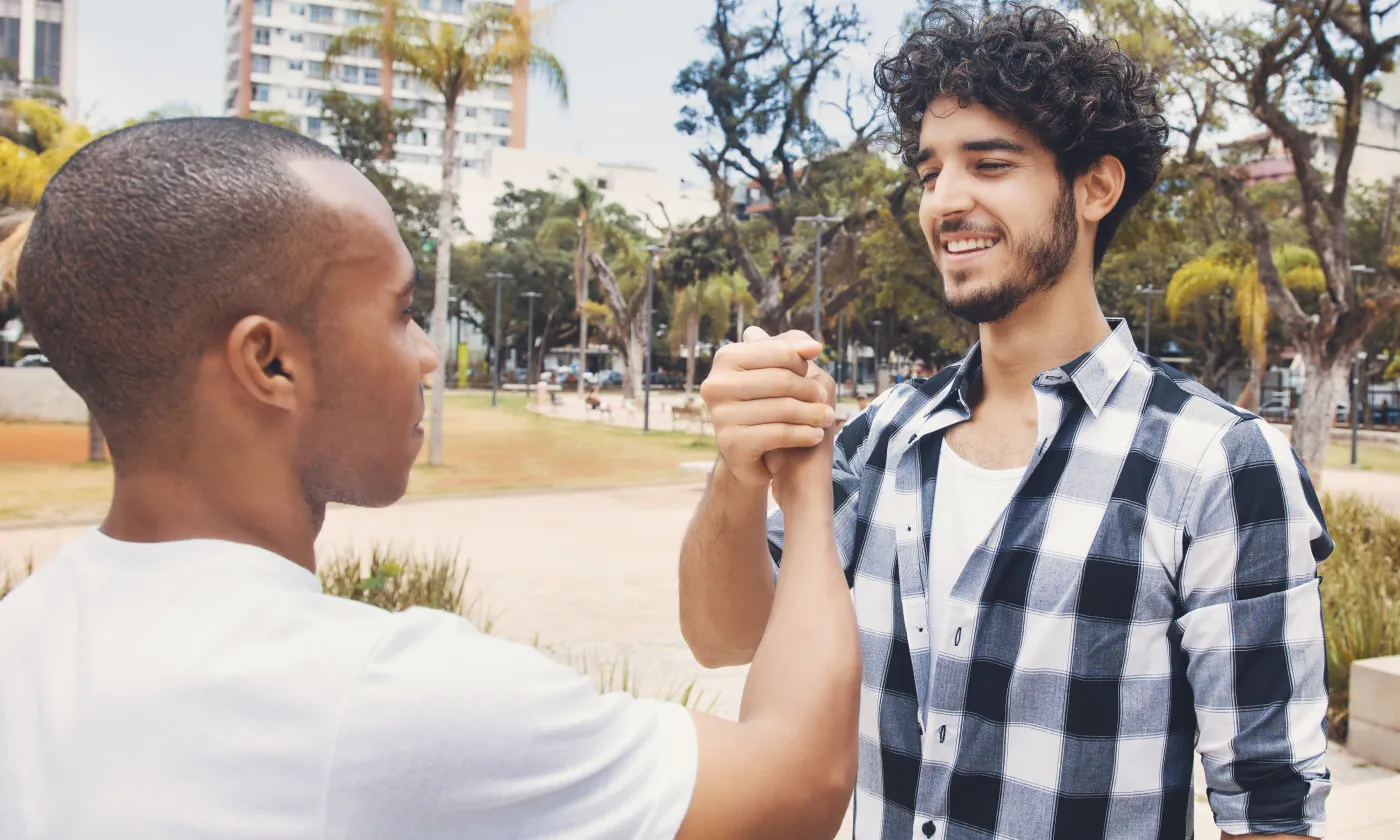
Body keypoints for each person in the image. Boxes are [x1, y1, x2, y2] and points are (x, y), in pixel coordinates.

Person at [0, 118, 860, 839]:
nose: (426, 357)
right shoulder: (380, 694)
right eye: (403, 313)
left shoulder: (26, 636)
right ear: (270, 363)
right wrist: (805, 487)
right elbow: (798, 784)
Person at [679, 5, 1330, 840]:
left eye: (989, 164)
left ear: (1095, 186)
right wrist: (738, 473)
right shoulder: (878, 441)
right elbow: (724, 637)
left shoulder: (1215, 463)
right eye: (929, 174)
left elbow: (1271, 809)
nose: (945, 201)